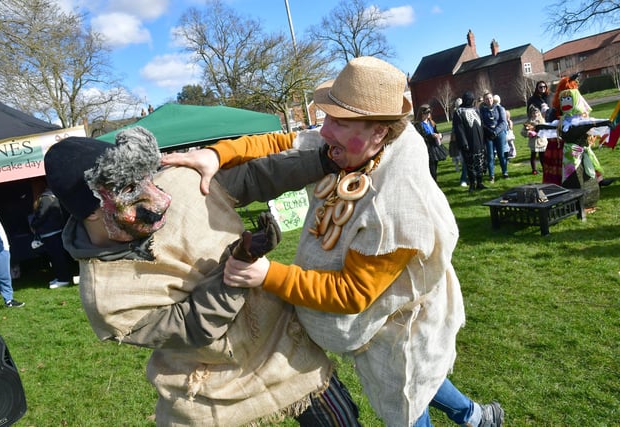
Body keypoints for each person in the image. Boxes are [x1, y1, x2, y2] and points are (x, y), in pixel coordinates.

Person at [163, 56, 503, 427]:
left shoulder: (397, 208)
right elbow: (283, 141)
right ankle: (476, 417)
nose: (325, 131)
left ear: (379, 132)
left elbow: (351, 294)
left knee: (407, 390)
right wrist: (215, 154)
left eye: (339, 121)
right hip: (376, 326)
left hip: (401, 324)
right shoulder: (359, 145)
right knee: (421, 379)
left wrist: (266, 276)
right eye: (328, 118)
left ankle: (473, 417)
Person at [43, 128, 361, 427]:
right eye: (129, 189)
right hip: (212, 391)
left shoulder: (181, 185)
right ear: (92, 211)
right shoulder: (107, 299)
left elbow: (254, 177)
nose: (161, 198)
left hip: (287, 349)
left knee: (342, 420)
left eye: (147, 179)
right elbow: (192, 326)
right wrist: (237, 266)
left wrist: (323, 161)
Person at [29, 186, 75, 288]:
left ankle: (63, 278)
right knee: (57, 256)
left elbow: (42, 215)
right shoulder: (52, 197)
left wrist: (33, 224)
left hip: (50, 232)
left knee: (57, 257)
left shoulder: (46, 198)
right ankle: (61, 277)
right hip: (55, 230)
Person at [452, 90, 486, 192]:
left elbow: (481, 124)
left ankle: (480, 182)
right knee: (470, 164)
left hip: (479, 141)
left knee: (480, 162)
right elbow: (459, 129)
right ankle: (472, 184)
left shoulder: (476, 110)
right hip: (469, 142)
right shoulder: (459, 112)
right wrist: (464, 143)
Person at [480, 91, 509, 182]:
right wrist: (489, 131)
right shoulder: (482, 110)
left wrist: (496, 132)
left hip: (499, 134)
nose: (489, 100)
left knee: (501, 154)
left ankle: (505, 172)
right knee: (490, 156)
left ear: (493, 99)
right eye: (487, 99)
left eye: (490, 98)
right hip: (488, 135)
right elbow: (481, 122)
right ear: (484, 100)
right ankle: (491, 176)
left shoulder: (499, 108)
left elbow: (504, 122)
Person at [413, 104, 447, 182]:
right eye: (426, 112)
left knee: (434, 169)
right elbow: (421, 137)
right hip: (426, 149)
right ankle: (433, 185)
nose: (429, 114)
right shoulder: (418, 125)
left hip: (434, 148)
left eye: (429, 112)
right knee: (431, 170)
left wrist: (440, 135)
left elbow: (436, 132)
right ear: (422, 113)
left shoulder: (431, 123)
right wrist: (431, 136)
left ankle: (434, 184)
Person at [521, 105, 548, 175]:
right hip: (534, 142)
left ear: (539, 113)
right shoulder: (528, 122)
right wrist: (528, 133)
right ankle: (534, 170)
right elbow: (522, 132)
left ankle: (545, 168)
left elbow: (546, 129)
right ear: (531, 114)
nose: (535, 115)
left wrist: (540, 132)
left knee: (542, 156)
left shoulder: (542, 120)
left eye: (537, 113)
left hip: (541, 140)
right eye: (533, 113)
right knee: (533, 156)